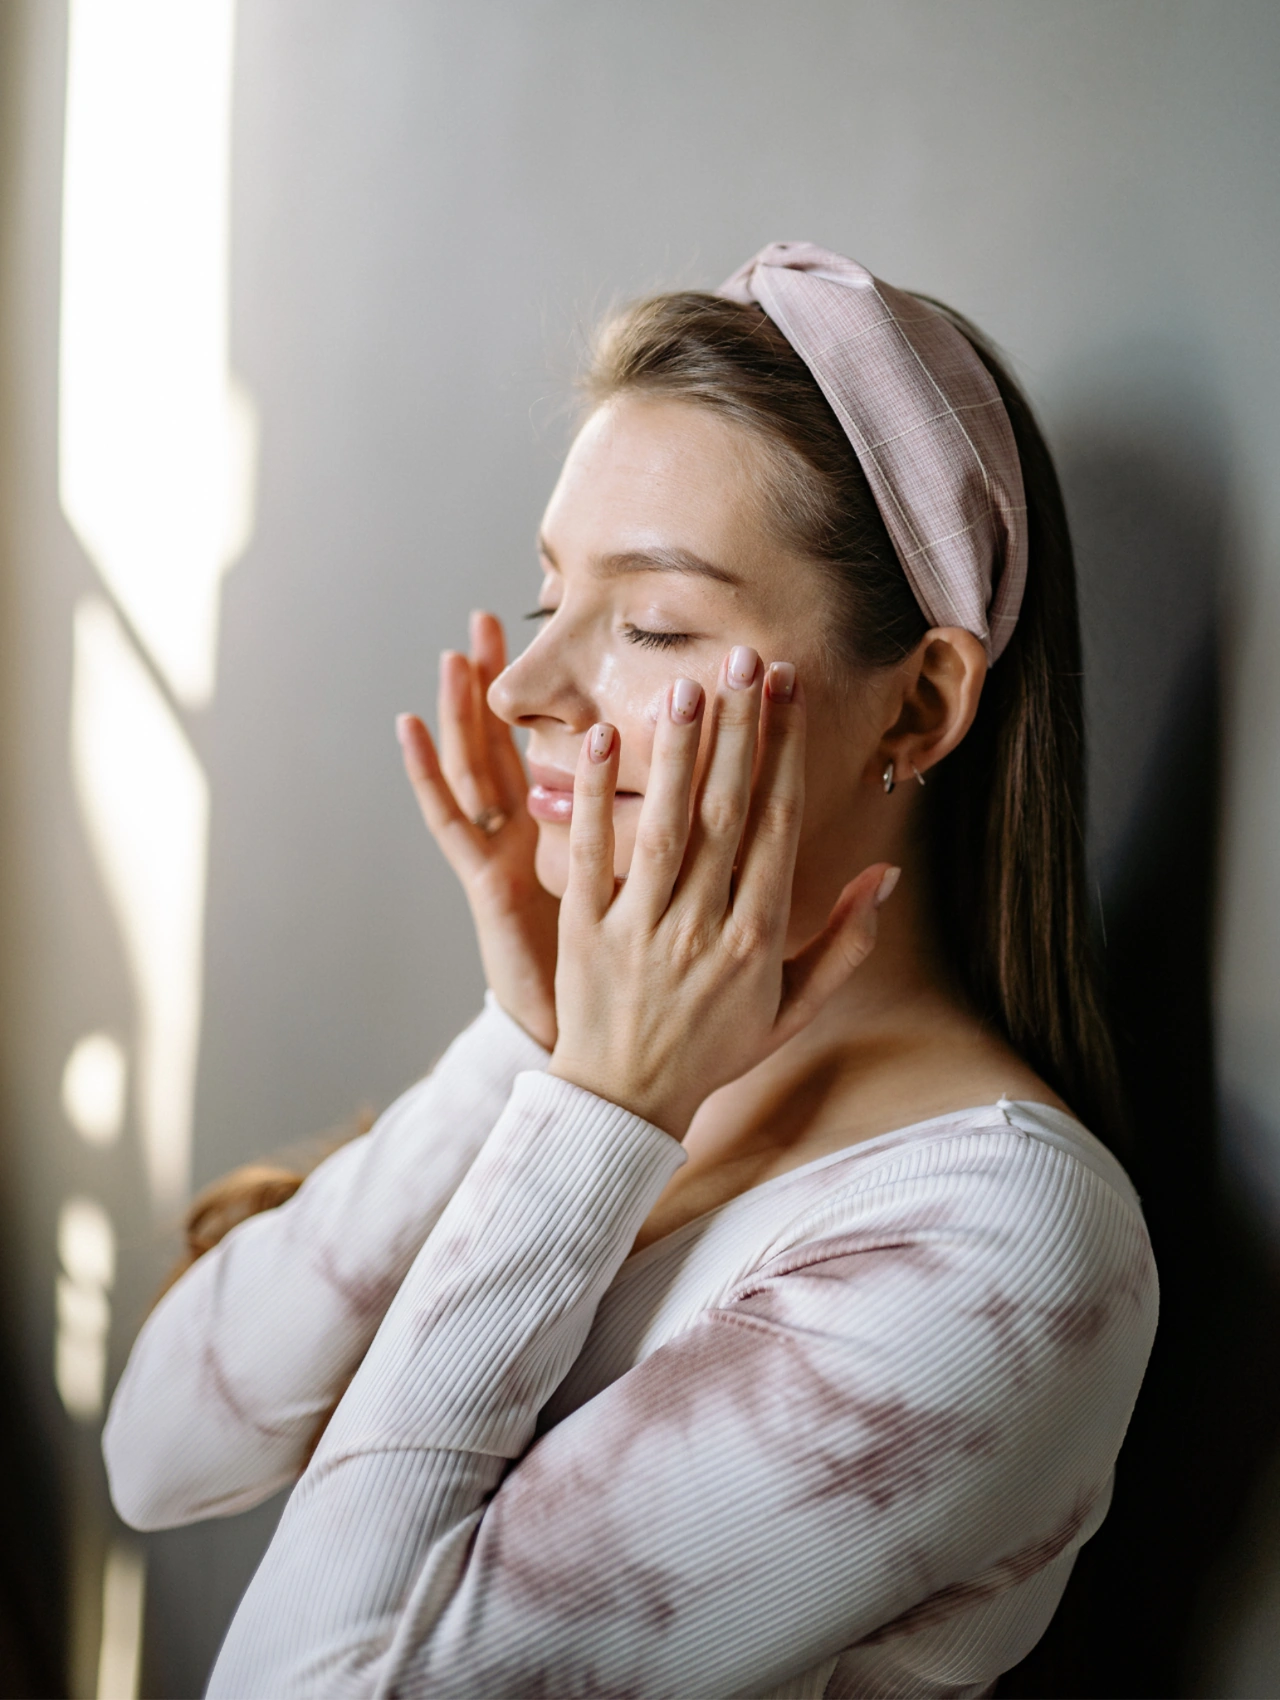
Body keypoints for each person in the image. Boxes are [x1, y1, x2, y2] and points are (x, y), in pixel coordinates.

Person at [103, 243, 1158, 1699]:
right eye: (550, 606)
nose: (529, 693)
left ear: (917, 702)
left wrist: (599, 1106)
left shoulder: (996, 1243)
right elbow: (161, 1453)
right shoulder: (626, 1074)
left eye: (654, 626)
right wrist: (525, 1051)